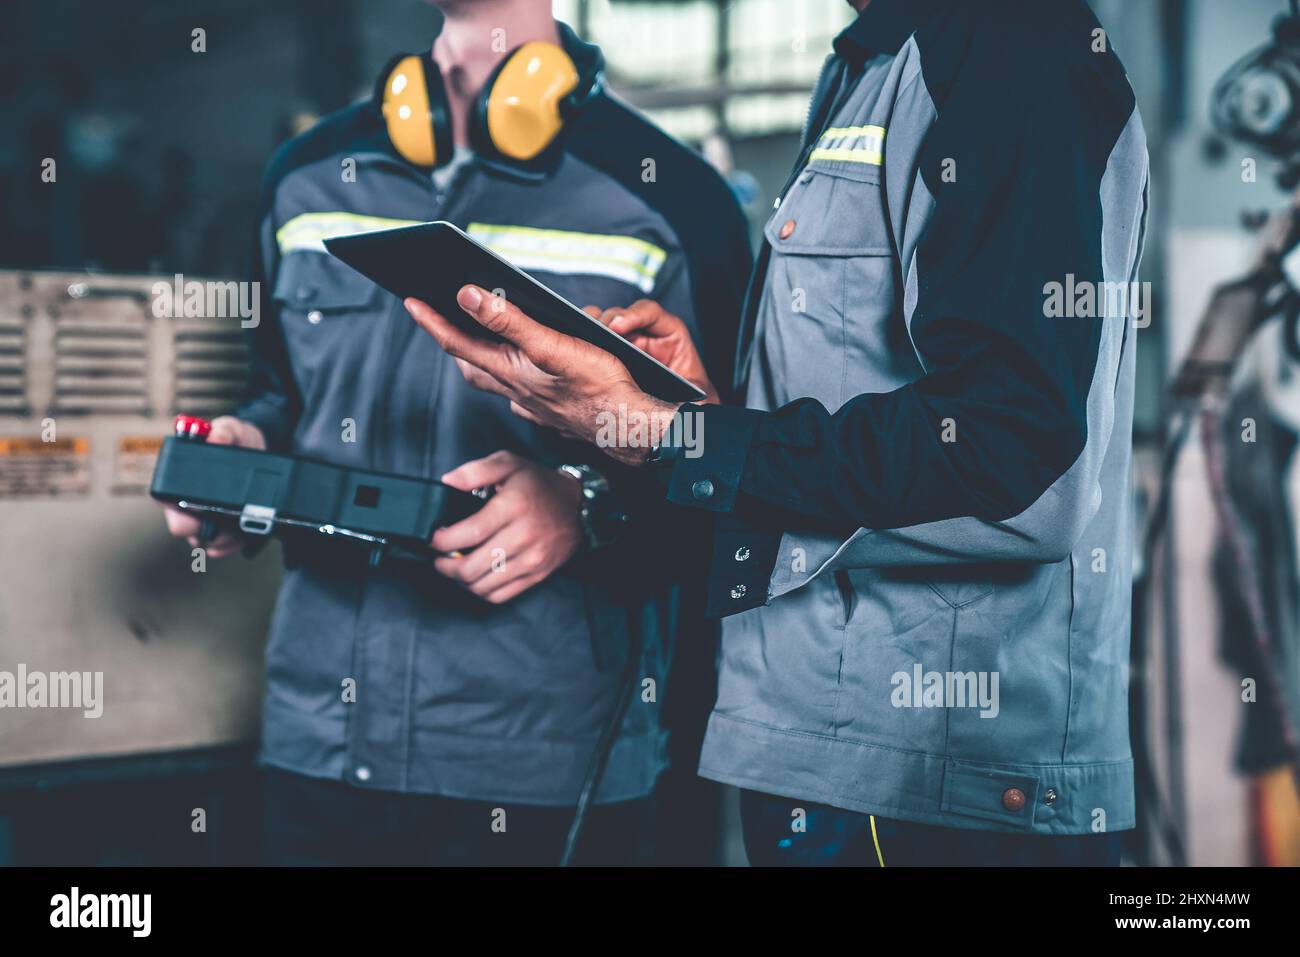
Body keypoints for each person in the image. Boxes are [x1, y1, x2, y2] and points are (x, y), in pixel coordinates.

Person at [405, 0, 1150, 866]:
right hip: (824, 757)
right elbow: (863, 399)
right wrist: (702, 408)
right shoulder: (873, 65)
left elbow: (1013, 456)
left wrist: (672, 434)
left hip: (932, 787)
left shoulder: (1004, 41)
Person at [160, 0, 750, 865]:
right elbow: (282, 394)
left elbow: (735, 480)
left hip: (547, 766)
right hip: (317, 741)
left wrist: (586, 506)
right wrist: (245, 453)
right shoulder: (308, 175)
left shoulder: (671, 197)